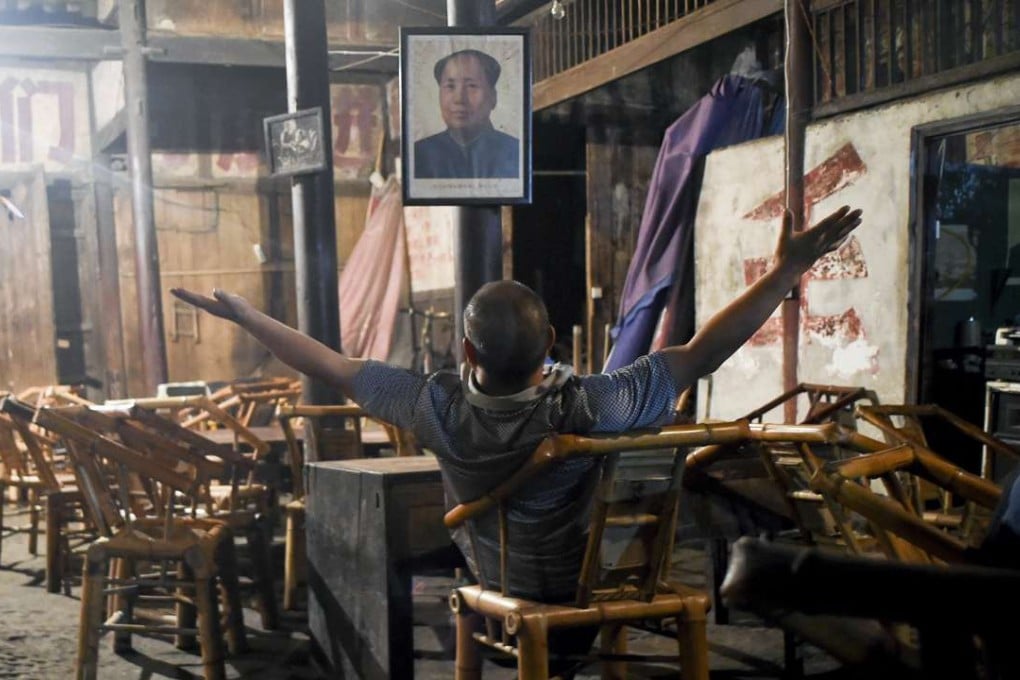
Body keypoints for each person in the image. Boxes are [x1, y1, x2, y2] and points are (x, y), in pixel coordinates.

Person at [171, 204, 861, 667]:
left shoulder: (437, 408)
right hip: (596, 587)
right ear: (552, 342)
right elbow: (701, 353)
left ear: (467, 354)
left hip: (501, 584)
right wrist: (787, 269)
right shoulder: (593, 404)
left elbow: (334, 365)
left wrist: (248, 318)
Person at [413, 49, 519, 179]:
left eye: (471, 86)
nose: (459, 99)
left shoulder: (515, 151)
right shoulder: (419, 154)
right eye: (450, 86)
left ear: (493, 97)